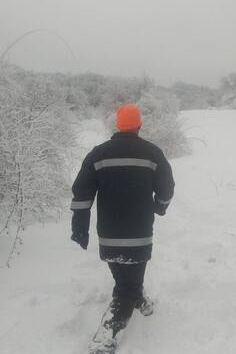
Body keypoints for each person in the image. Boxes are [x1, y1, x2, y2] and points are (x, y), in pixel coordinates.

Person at [70, 103, 175, 347]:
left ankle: (140, 301)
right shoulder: (152, 153)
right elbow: (167, 187)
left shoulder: (98, 154)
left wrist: (80, 227)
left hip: (109, 236)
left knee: (125, 279)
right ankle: (104, 340)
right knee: (126, 288)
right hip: (139, 235)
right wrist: (160, 206)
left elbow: (82, 193)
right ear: (139, 125)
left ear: (118, 125)